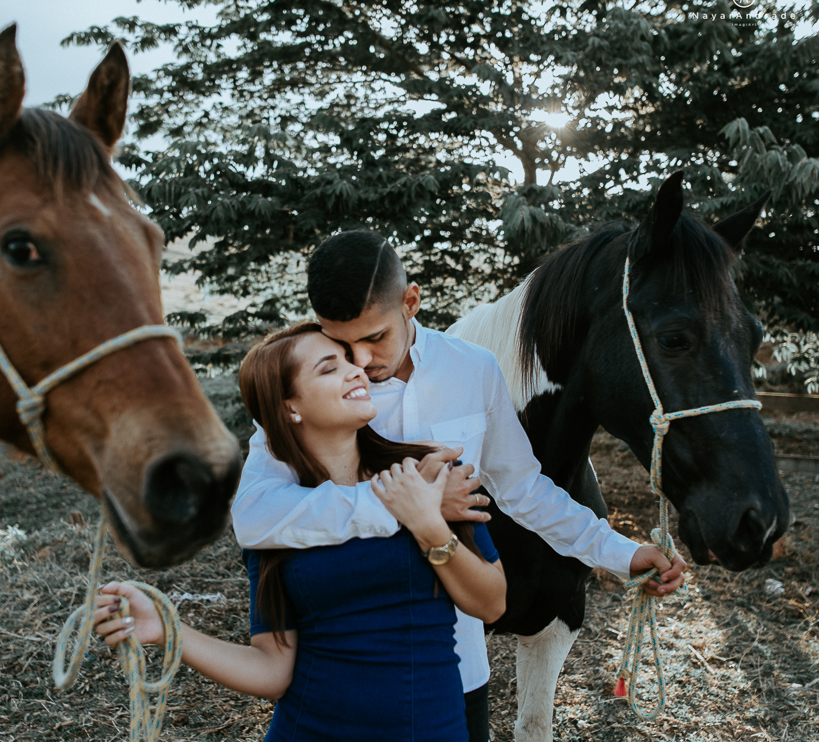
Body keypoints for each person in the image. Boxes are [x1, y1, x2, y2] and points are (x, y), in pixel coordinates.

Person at [231, 230, 689, 742]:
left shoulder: (473, 371)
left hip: (456, 671)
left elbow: (524, 489)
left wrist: (621, 553)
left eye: (374, 338)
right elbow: (255, 514)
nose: (358, 360)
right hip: (340, 670)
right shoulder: (312, 392)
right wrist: (409, 506)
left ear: (411, 301)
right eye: (341, 342)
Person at [94, 324, 506, 741]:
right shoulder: (275, 516)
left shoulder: (428, 473)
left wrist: (429, 527)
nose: (356, 371)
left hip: (432, 729)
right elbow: (272, 669)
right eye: (330, 369)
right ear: (290, 408)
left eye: (350, 361)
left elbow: (492, 602)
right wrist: (169, 630)